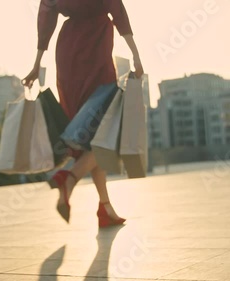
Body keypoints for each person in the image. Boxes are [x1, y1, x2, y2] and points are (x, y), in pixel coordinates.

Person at [22, 0, 144, 228]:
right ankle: (69, 178)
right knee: (108, 130)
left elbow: (46, 16)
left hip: (68, 52)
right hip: (96, 47)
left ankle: (105, 207)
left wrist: (37, 64)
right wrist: (135, 54)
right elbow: (116, 9)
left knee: (92, 135)